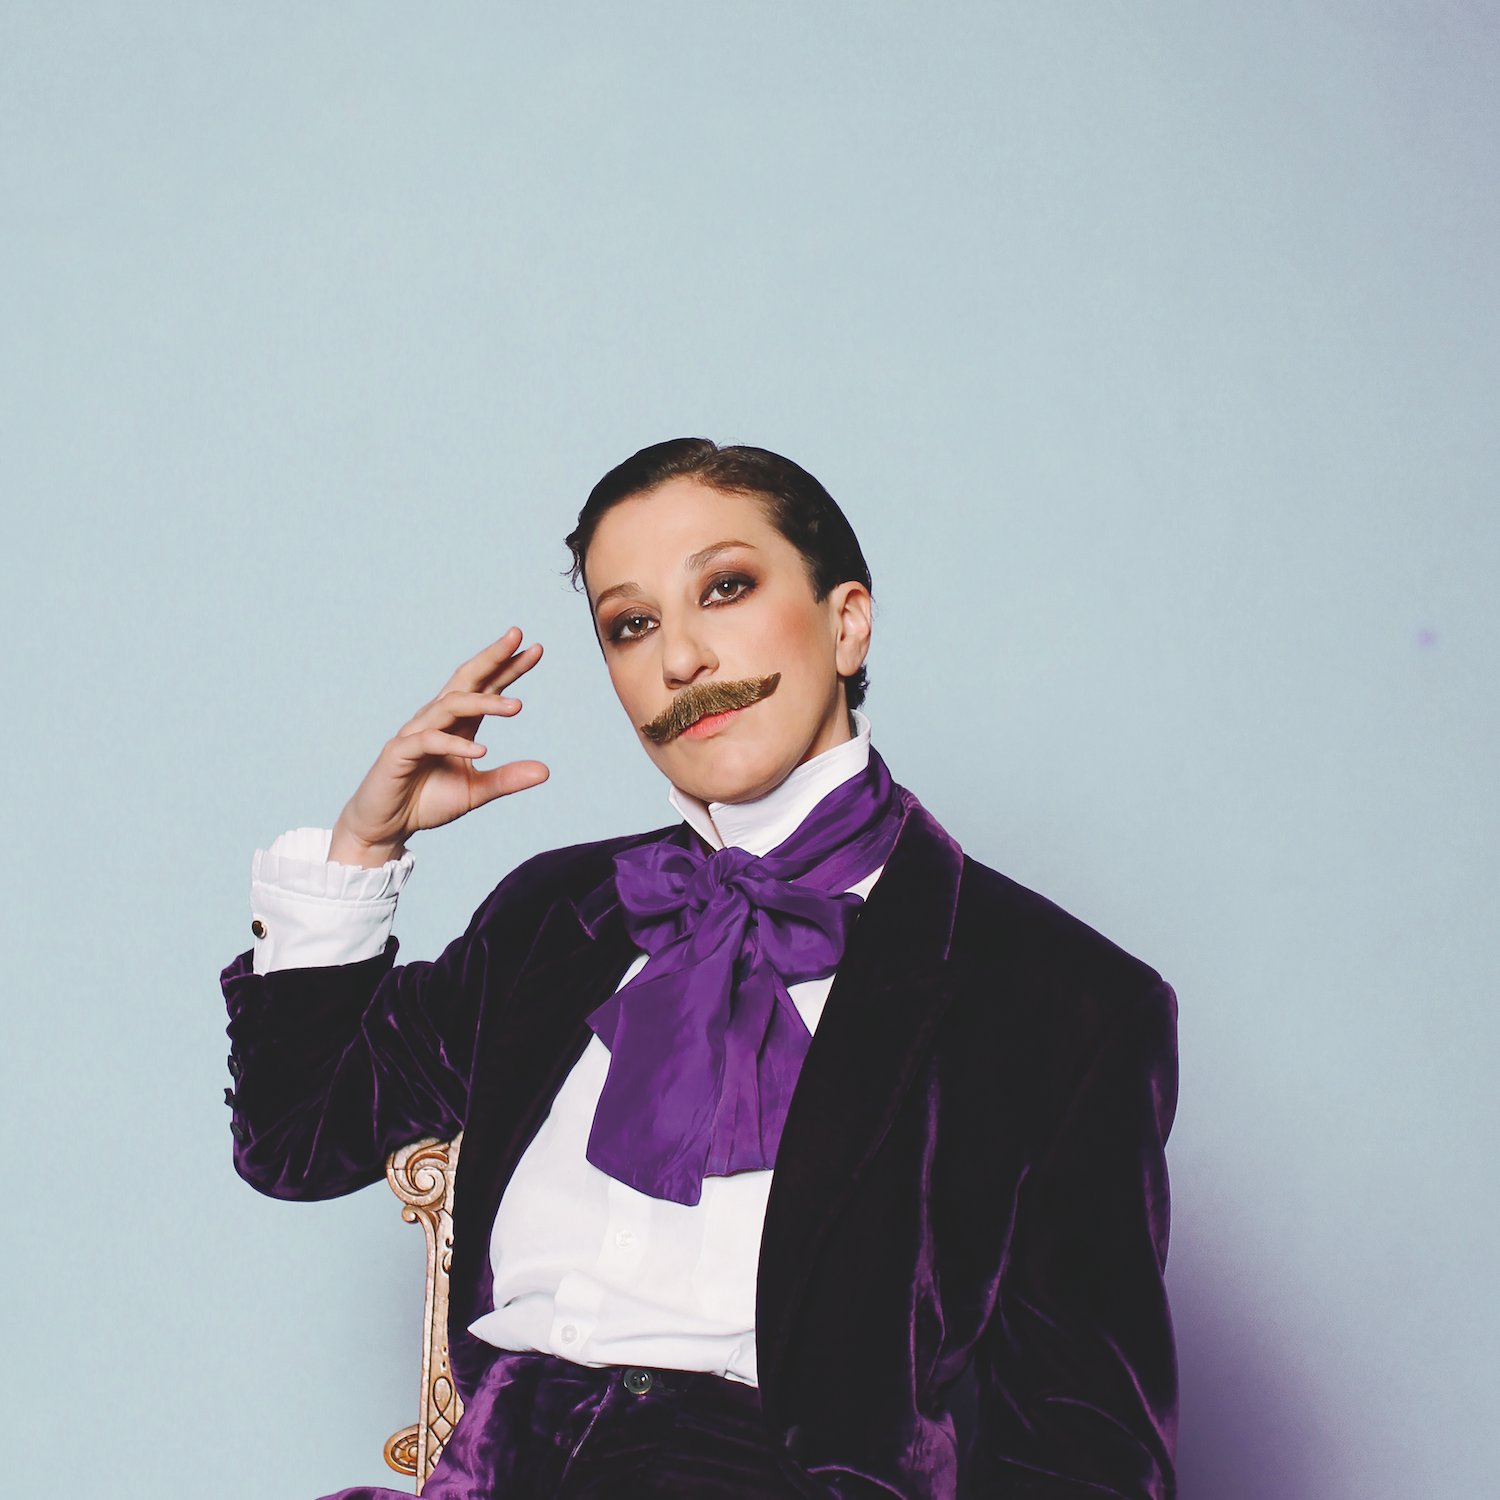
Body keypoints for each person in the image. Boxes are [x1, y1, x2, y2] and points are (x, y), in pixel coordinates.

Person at [221, 438, 1179, 1500]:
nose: (680, 659)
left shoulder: (1063, 1002)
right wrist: (366, 845)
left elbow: (1086, 1451)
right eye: (631, 625)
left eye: (724, 589)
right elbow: (295, 1139)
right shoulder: (557, 916)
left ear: (847, 622)